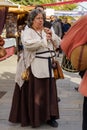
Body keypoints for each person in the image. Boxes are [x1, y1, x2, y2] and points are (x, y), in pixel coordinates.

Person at [9, 9, 61, 128]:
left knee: (50, 93)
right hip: (35, 66)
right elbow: (28, 45)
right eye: (38, 18)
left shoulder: (47, 30)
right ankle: (35, 118)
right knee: (37, 94)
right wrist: (44, 40)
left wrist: (52, 36)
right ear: (32, 20)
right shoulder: (28, 32)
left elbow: (58, 43)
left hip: (49, 66)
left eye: (42, 18)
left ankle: (50, 117)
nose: (41, 21)